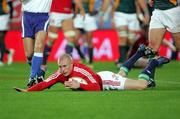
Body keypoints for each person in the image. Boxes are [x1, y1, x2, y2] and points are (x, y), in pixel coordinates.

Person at [14, 45, 170, 92]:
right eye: (60, 67)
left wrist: (79, 85)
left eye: (64, 66)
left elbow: (96, 87)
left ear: (72, 64)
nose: (61, 70)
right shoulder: (61, 73)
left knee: (142, 85)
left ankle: (153, 63)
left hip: (104, 81)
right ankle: (139, 53)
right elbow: (46, 83)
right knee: (121, 74)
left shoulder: (80, 70)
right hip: (100, 77)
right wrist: (28, 91)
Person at [40, 0, 85, 79]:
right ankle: (43, 64)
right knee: (52, 39)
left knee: (71, 38)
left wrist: (81, 9)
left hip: (67, 14)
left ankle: (69, 67)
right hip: (56, 13)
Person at [20, 0, 52, 87]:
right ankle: (40, 73)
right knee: (29, 55)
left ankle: (32, 77)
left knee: (39, 46)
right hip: (27, 17)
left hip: (43, 17)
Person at [112, 0, 150, 67]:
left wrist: (145, 13)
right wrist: (112, 18)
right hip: (120, 14)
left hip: (133, 15)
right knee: (123, 37)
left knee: (130, 40)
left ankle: (122, 58)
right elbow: (115, 3)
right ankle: (122, 62)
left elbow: (139, 2)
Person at [0, 0, 14, 66]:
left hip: (3, 16)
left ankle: (1, 60)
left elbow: (10, 4)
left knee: (1, 37)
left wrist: (10, 17)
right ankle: (8, 52)